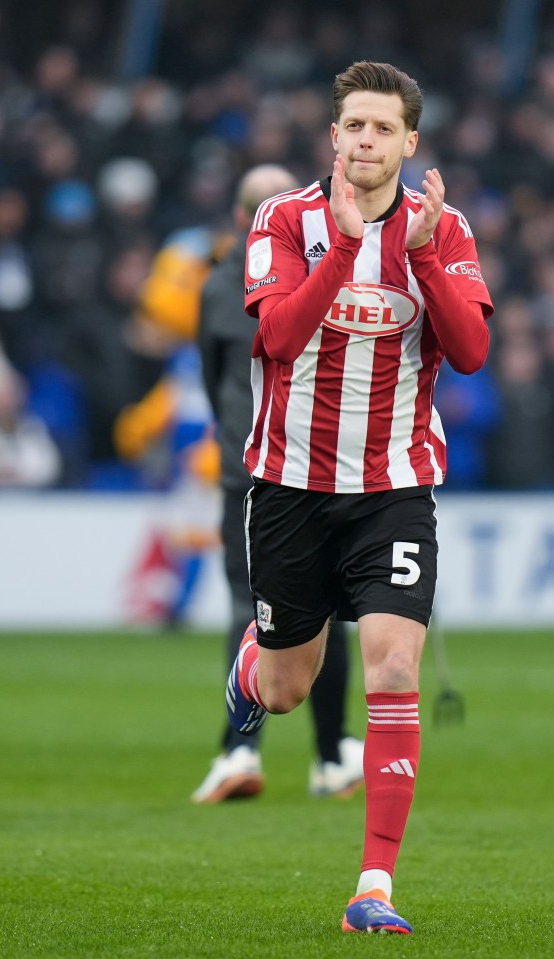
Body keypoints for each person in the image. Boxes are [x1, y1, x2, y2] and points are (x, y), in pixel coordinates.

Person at [226, 61, 493, 935]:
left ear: (410, 142)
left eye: (384, 128)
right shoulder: (285, 219)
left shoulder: (443, 228)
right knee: (285, 689)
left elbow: (470, 352)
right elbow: (274, 336)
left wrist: (419, 253)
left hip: (394, 487)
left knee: (391, 667)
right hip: (292, 485)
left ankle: (372, 885)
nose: (367, 141)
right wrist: (343, 247)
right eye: (354, 126)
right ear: (333, 136)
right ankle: (252, 659)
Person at [193, 165, 363, 803]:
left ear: (239, 217)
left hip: (251, 469)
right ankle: (331, 755)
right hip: (322, 464)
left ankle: (241, 749)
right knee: (329, 611)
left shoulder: (216, 284)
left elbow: (213, 380)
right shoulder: (328, 265)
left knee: (250, 607)